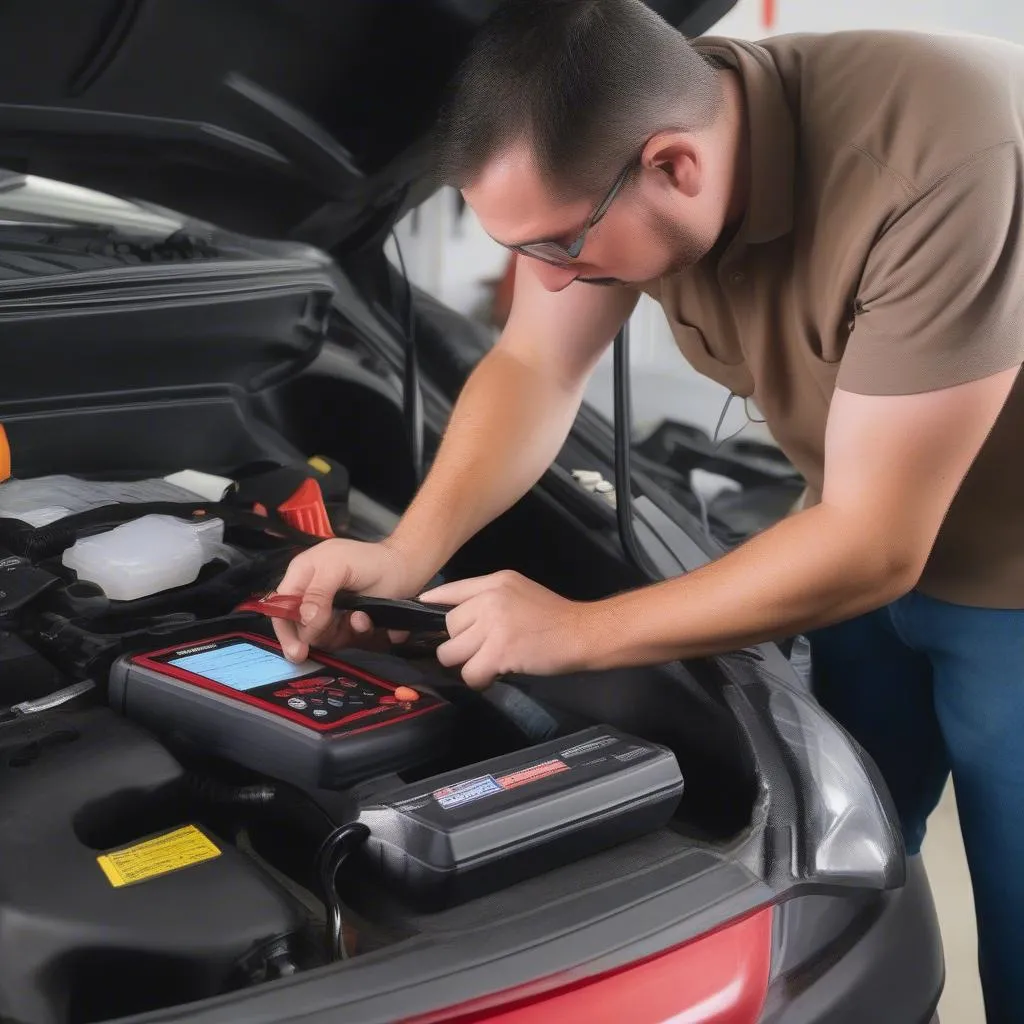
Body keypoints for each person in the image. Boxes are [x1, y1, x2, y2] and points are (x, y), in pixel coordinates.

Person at [273, 1, 1024, 1017]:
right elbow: (536, 361)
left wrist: (580, 631)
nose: (546, 275)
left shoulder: (938, 156)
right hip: (857, 537)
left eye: (560, 243)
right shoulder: (622, 129)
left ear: (674, 167)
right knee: (827, 878)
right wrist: (408, 551)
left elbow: (872, 540)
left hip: (999, 575)